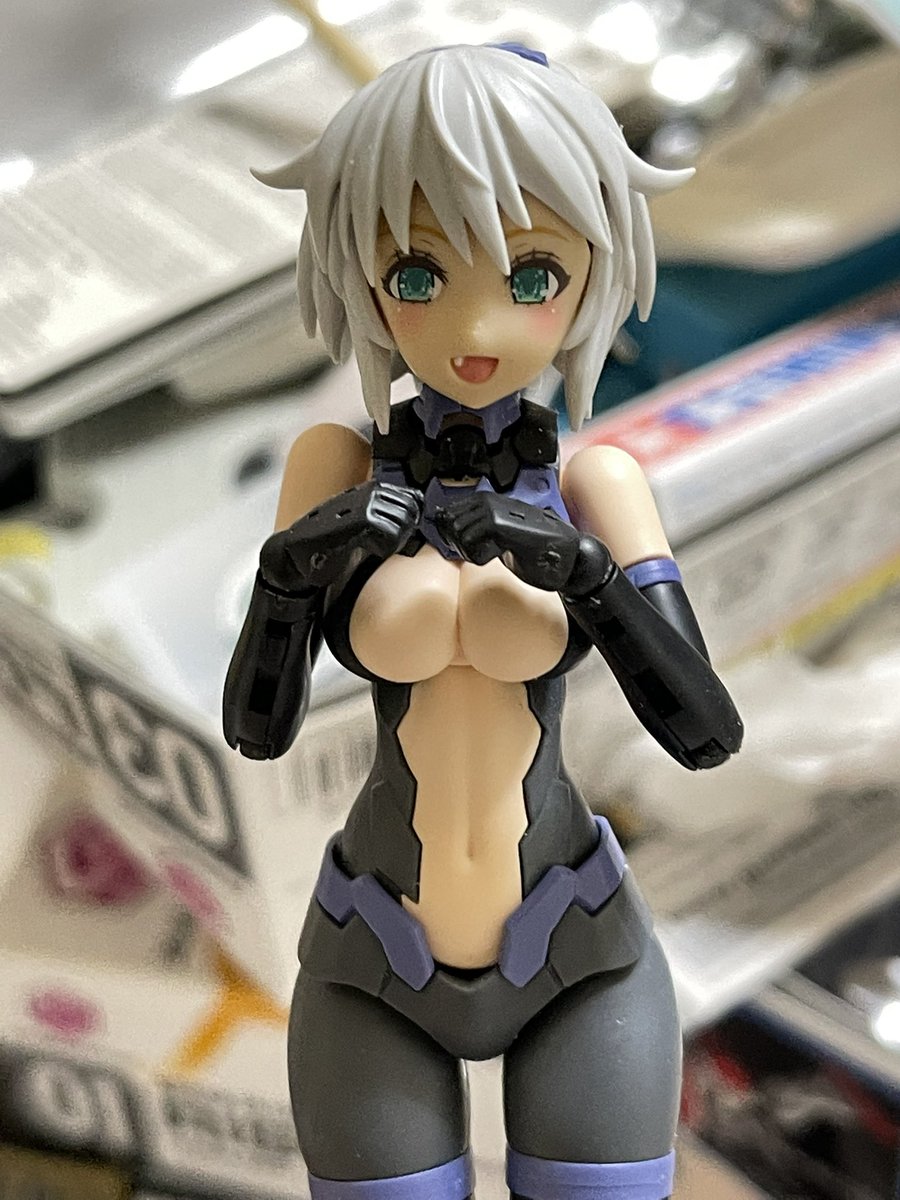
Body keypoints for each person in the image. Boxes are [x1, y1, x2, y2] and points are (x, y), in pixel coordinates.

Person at [223, 42, 743, 1200]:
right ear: (359, 275)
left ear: (595, 267)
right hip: (374, 951)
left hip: (576, 946)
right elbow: (255, 730)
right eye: (417, 275)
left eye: (533, 274)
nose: (475, 322)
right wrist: (294, 571)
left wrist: (588, 577)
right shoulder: (333, 464)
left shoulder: (598, 483)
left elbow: (706, 731)